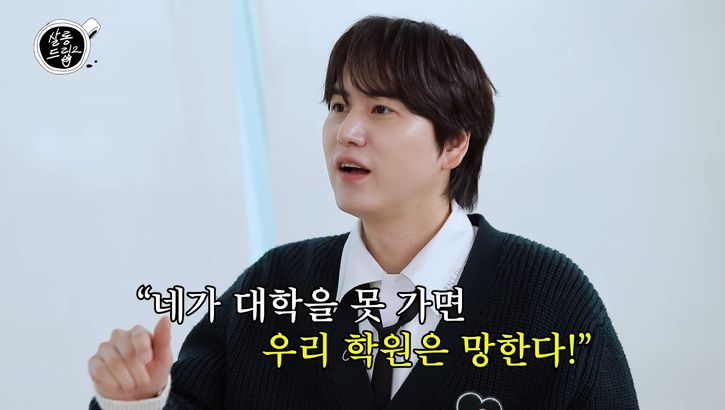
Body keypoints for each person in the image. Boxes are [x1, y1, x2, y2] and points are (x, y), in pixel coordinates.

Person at [88, 16, 639, 409]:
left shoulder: (549, 301)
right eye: (338, 105)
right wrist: (133, 401)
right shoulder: (272, 291)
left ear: (453, 144)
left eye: (381, 109)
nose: (347, 131)